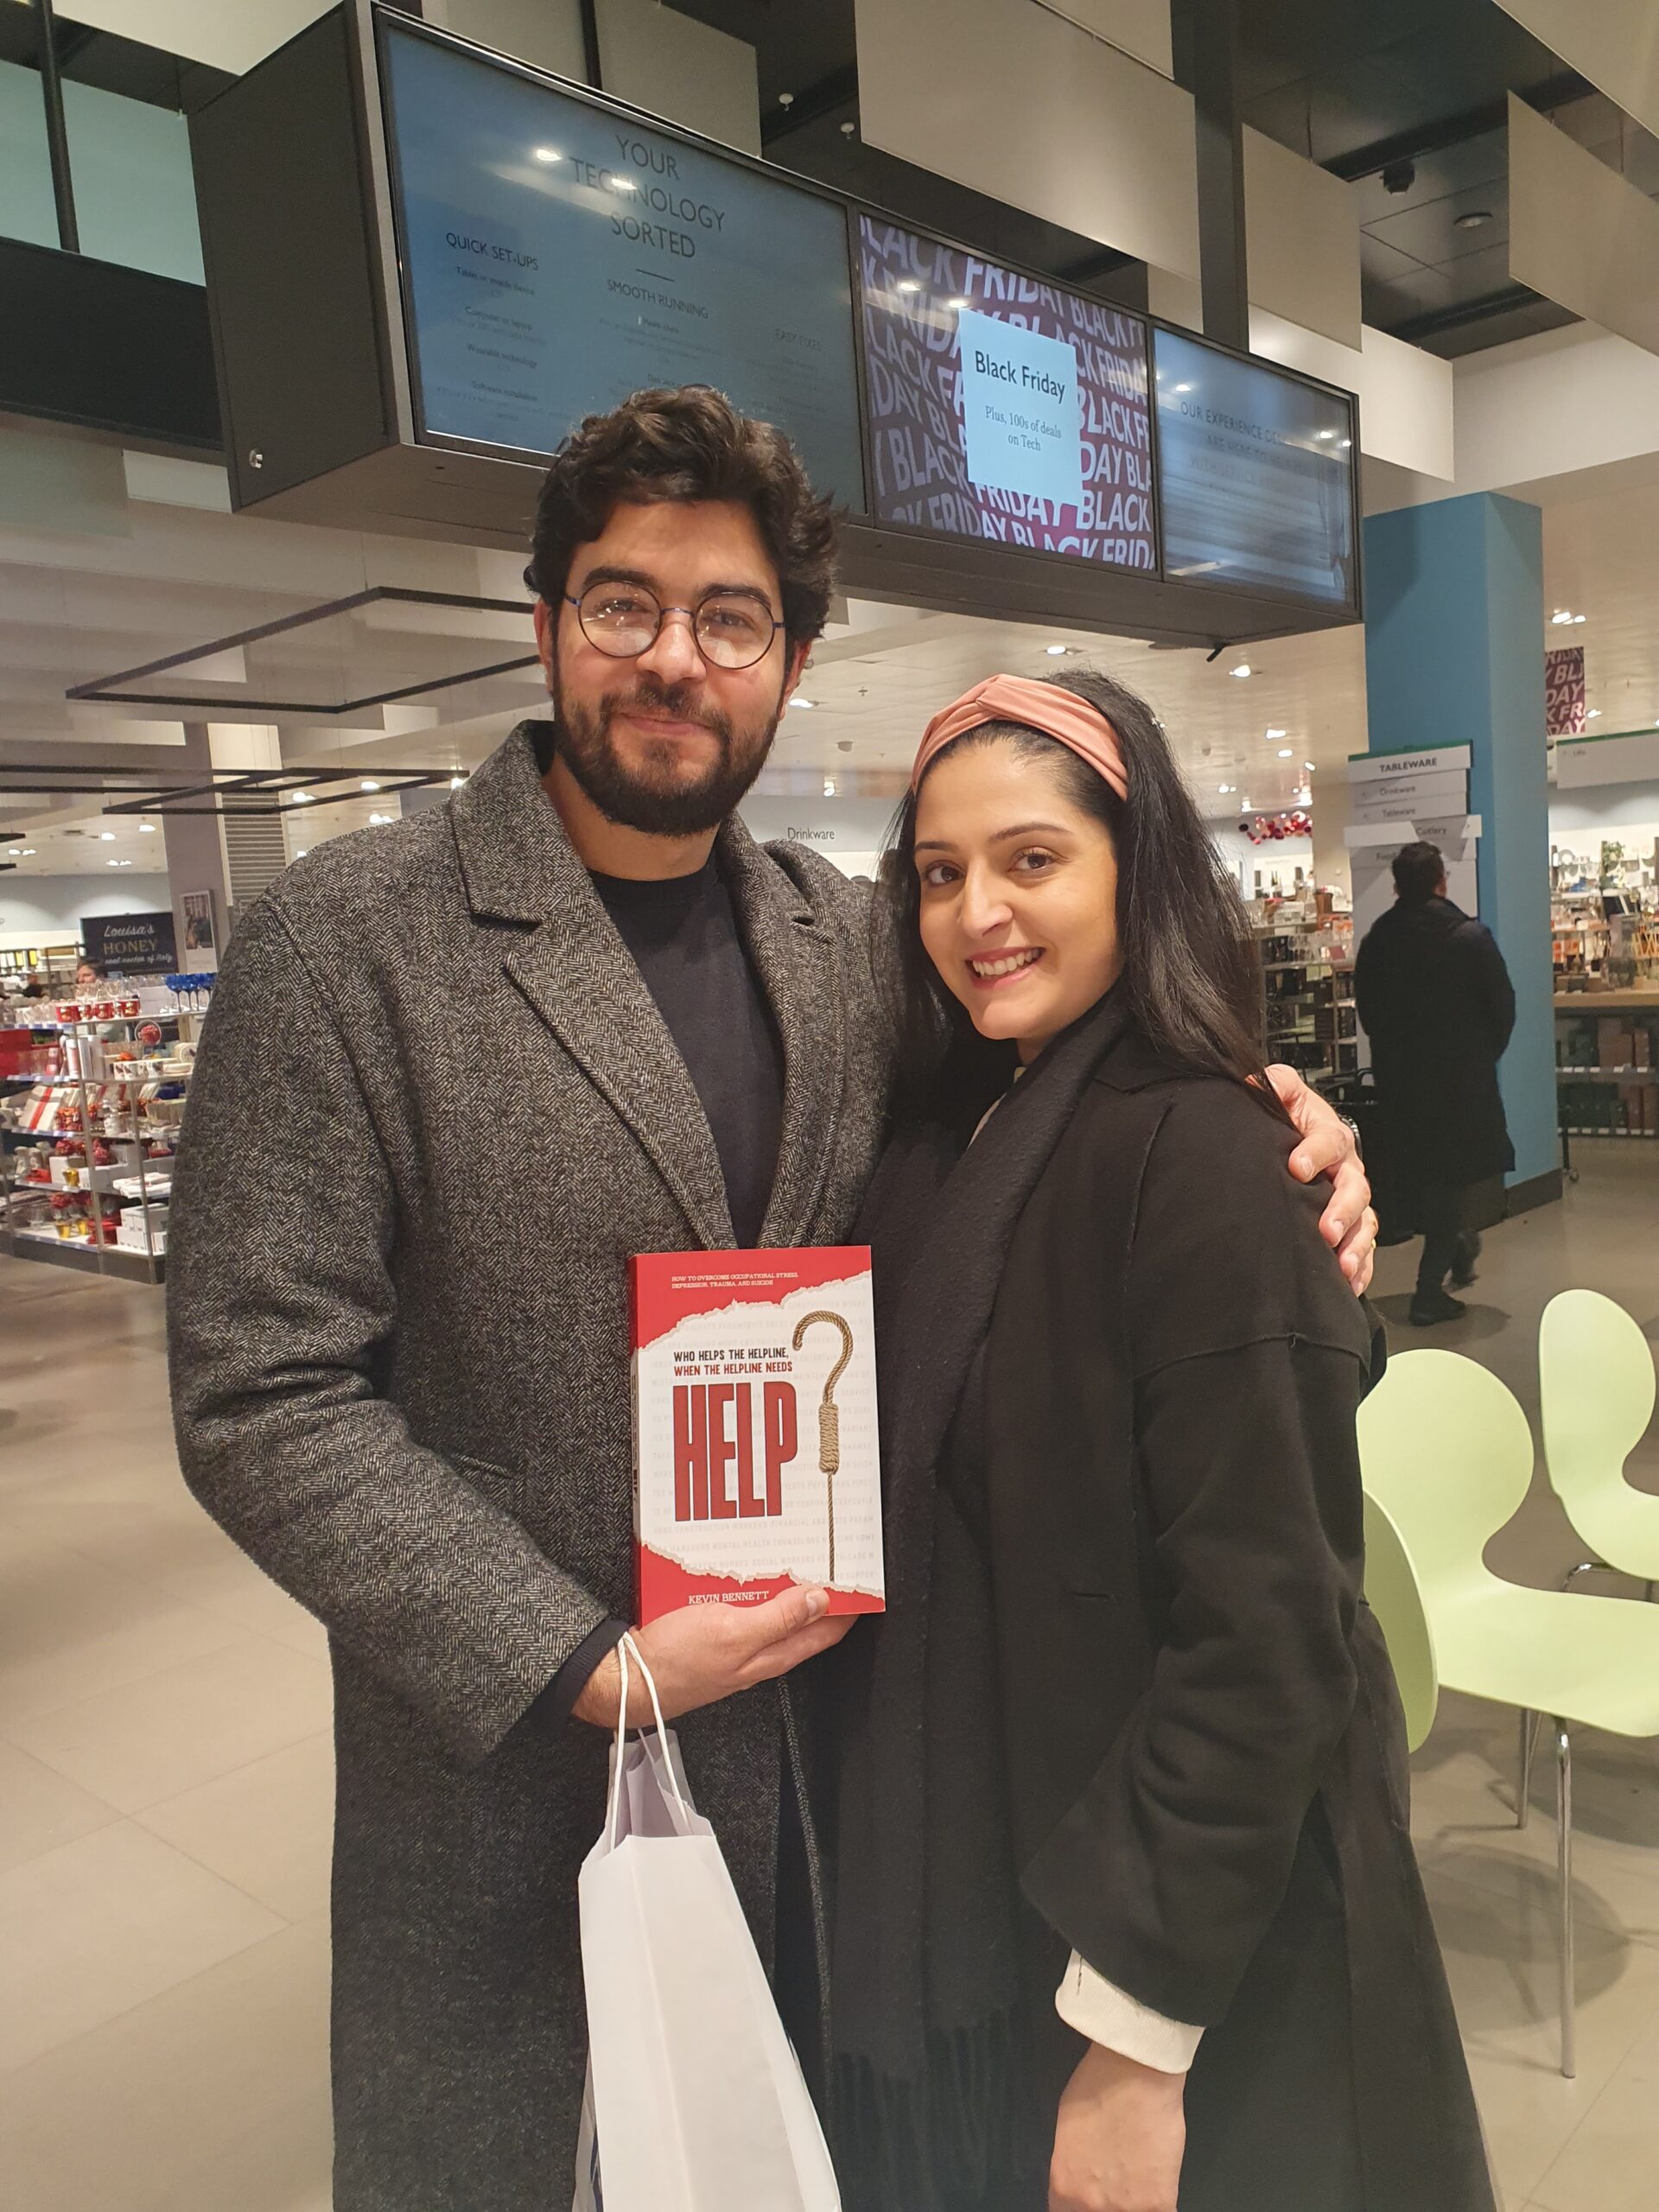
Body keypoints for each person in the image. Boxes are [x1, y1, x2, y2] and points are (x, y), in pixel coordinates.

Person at [166, 386, 1374, 2209]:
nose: (674, 658)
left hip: (843, 1795)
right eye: (623, 602)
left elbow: (1045, 1116)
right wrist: (579, 1659)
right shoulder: (350, 943)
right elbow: (262, 1392)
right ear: (548, 623)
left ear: (793, 663)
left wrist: (1285, 1136)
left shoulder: (841, 937)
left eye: (729, 618)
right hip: (518, 1792)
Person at [827, 671, 1489, 2212]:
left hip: (1193, 1960)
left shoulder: (1206, 1156)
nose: (979, 912)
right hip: (1013, 1872)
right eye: (940, 872)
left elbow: (1265, 1638)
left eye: (1032, 860)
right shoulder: (945, 1140)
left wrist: (1133, 2049)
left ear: (1141, 871)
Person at [1354, 840, 1516, 1327]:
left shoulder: (1377, 942)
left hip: (1401, 1086)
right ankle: (1429, 1292)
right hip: (1460, 1084)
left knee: (1425, 1177)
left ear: (1396, 886)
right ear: (1442, 881)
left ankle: (1458, 1248)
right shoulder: (1470, 938)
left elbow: (1369, 1014)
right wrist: (1478, 1058)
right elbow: (1502, 1010)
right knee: (1452, 1180)